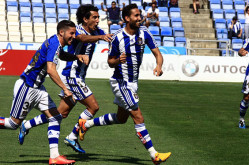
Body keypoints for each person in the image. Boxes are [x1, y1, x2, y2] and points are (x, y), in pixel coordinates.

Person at [77, 4, 171, 164]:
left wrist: (159, 65)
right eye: (136, 15)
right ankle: (154, 155)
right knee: (138, 116)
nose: (139, 18)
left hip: (133, 82)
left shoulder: (145, 33)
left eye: (139, 15)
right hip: (121, 82)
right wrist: (117, 60)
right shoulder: (118, 37)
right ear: (127, 18)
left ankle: (86, 124)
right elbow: (110, 62)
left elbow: (157, 53)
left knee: (121, 118)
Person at [18, 4, 113, 154]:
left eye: (98, 17)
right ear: (85, 19)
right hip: (72, 75)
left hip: (78, 76)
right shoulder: (77, 32)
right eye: (94, 17)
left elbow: (108, 36)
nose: (97, 20)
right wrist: (101, 37)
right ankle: (72, 136)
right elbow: (83, 38)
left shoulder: (96, 31)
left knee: (60, 113)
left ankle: (27, 125)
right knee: (93, 106)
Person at [0, 20, 89, 164]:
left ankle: (54, 157)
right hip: (27, 87)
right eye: (71, 33)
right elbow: (51, 70)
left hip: (38, 88)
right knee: (12, 123)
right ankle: (53, 155)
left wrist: (75, 57)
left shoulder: (56, 43)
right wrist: (65, 89)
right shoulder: (54, 44)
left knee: (55, 117)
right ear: (62, 32)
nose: (74, 36)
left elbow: (61, 55)